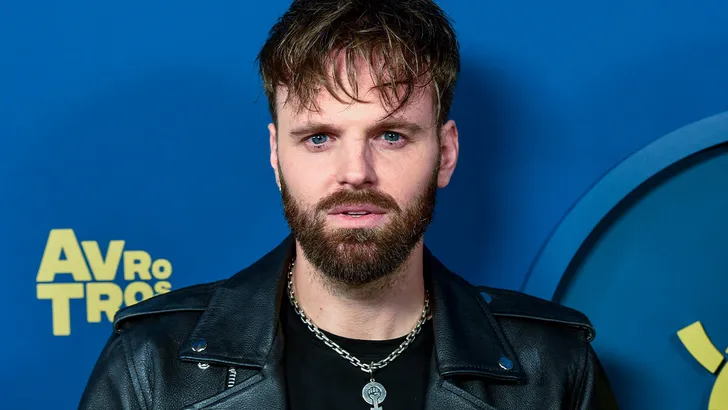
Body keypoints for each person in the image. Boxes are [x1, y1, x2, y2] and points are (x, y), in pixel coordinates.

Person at [79, 0, 619, 409]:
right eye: (319, 138)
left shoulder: (553, 368)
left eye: (391, 136)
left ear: (446, 153)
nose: (355, 171)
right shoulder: (151, 365)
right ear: (276, 155)